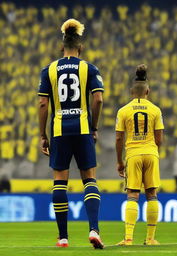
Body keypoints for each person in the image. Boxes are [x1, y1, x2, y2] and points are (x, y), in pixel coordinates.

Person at [38, 19, 104, 249]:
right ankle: (94, 230)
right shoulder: (89, 68)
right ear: (80, 47)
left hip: (59, 129)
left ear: (61, 46)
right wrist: (93, 127)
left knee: (59, 183)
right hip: (83, 128)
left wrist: (42, 135)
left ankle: (63, 237)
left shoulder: (50, 69)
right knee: (89, 180)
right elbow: (98, 99)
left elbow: (43, 104)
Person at [115, 64, 164, 245]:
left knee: (132, 195)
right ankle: (150, 239)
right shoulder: (155, 110)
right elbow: (159, 139)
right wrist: (153, 151)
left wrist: (119, 162)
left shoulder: (123, 111)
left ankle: (128, 238)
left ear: (131, 91)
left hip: (133, 154)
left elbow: (119, 139)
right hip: (151, 153)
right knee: (151, 194)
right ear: (148, 91)